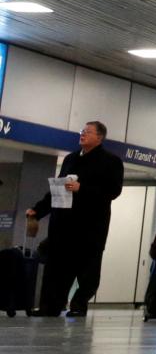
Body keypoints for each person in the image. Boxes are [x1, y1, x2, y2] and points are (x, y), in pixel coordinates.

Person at [26, 120, 124, 317]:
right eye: (82, 131)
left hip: (90, 227)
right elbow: (57, 190)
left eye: (88, 132)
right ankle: (50, 307)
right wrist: (37, 210)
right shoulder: (70, 158)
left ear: (100, 137)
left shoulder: (111, 161)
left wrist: (83, 189)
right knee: (56, 268)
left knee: (87, 270)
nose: (82, 134)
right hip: (62, 224)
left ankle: (79, 305)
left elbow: (113, 191)